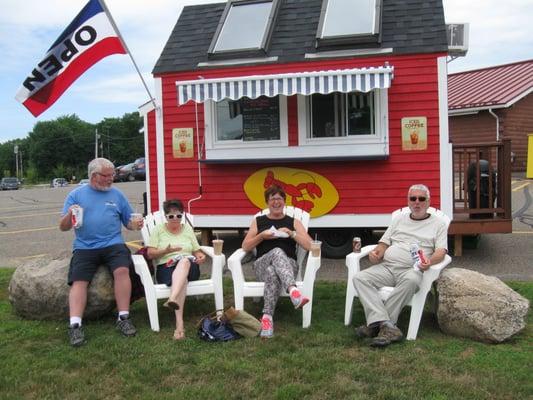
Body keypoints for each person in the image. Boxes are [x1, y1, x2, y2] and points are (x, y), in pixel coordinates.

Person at [59, 158, 143, 347]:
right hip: (85, 246)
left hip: (113, 243)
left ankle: (123, 318)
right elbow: (63, 227)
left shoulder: (117, 195)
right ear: (93, 176)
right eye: (106, 175)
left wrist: (135, 224)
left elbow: (128, 222)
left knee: (122, 270)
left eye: (112, 175)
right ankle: (75, 325)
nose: (110, 179)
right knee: (79, 280)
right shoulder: (76, 195)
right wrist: (68, 215)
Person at [352, 184, 448, 347]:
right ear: (408, 201)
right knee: (360, 278)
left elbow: (441, 251)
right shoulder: (399, 219)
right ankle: (386, 325)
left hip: (413, 269)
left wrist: (429, 262)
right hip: (388, 267)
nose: (417, 202)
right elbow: (383, 243)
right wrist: (376, 254)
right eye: (413, 198)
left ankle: (376, 325)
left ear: (428, 201)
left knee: (411, 281)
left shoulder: (438, 223)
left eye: (421, 199)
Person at [241, 185, 313, 338]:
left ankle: (267, 318)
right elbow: (245, 246)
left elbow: (310, 246)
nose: (276, 202)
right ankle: (293, 291)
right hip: (262, 264)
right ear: (267, 202)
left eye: (279, 198)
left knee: (272, 271)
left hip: (289, 266)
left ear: (284, 202)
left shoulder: (294, 222)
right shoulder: (258, 221)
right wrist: (261, 236)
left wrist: (293, 234)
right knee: (276, 252)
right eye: (272, 199)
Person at [146, 199, 206, 340]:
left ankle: (172, 298)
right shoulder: (158, 230)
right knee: (182, 279)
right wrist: (166, 251)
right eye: (171, 216)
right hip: (166, 267)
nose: (175, 219)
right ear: (165, 216)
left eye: (178, 216)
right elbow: (150, 253)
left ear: (182, 215)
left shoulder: (187, 229)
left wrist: (200, 257)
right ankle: (179, 326)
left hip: (190, 266)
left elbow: (197, 251)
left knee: (184, 261)